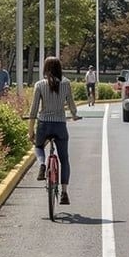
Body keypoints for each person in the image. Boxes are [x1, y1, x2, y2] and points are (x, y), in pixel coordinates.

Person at [29, 56, 81, 204]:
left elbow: (33, 110)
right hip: (60, 125)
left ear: (45, 69)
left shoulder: (39, 85)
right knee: (64, 159)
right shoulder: (66, 84)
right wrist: (74, 115)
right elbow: (71, 104)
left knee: (38, 147)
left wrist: (30, 130)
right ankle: (64, 192)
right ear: (60, 69)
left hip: (44, 124)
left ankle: (42, 165)